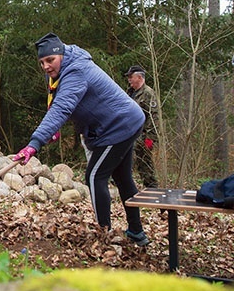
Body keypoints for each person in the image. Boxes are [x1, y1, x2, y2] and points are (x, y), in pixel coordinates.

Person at [14, 33, 150, 246]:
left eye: (50, 60)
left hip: (118, 126)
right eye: (42, 62)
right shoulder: (64, 69)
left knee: (95, 176)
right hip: (124, 122)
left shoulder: (76, 71)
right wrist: (53, 129)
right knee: (123, 179)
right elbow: (58, 100)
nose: (46, 66)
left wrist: (35, 143)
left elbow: (62, 107)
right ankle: (136, 232)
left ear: (60, 55)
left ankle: (104, 235)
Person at [125, 65, 159, 188]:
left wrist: (150, 138)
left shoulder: (148, 93)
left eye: (131, 77)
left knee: (145, 166)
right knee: (125, 160)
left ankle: (153, 192)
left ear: (139, 77)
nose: (129, 80)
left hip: (143, 136)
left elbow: (154, 117)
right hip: (129, 133)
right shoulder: (130, 92)